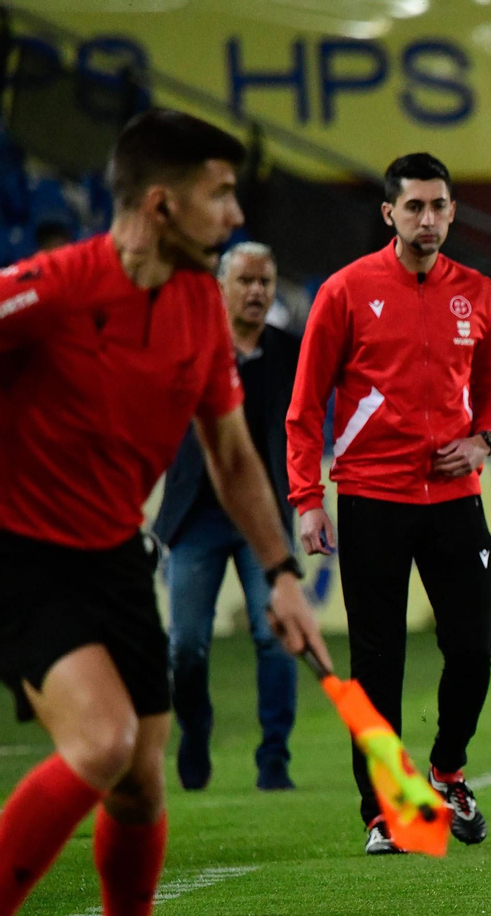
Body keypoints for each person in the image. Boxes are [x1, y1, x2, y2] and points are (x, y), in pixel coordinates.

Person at [0, 108, 326, 916]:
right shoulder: (53, 291)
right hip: (21, 552)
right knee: (102, 743)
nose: (234, 214)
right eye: (220, 194)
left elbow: (229, 451)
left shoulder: (195, 309)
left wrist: (280, 572)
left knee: (141, 785)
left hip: (113, 555)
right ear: (161, 203)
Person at [285, 153, 491, 855]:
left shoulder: (475, 292)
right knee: (377, 662)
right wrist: (307, 499)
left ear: (451, 212)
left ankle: (446, 770)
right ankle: (384, 810)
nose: (428, 219)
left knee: (473, 648)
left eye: (439, 206)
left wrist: (484, 440)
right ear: (389, 214)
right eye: (413, 206)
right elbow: (304, 407)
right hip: (370, 498)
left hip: (454, 498)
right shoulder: (346, 291)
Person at [153, 242, 300, 792]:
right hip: (197, 517)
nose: (258, 291)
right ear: (220, 287)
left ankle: (275, 760)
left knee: (276, 635)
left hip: (262, 520)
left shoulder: (291, 351)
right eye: (247, 282)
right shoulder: (190, 347)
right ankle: (195, 731)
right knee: (186, 645)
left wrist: (303, 502)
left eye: (266, 281)